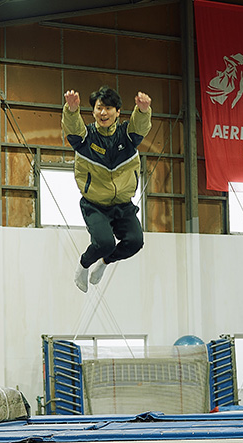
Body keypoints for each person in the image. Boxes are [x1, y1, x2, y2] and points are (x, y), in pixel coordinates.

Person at [62, 86, 152, 292]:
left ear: (118, 112)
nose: (104, 113)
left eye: (109, 108)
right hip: (95, 204)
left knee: (135, 242)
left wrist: (144, 111)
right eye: (99, 108)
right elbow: (73, 130)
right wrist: (72, 110)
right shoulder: (86, 139)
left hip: (122, 205)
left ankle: (103, 263)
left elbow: (140, 127)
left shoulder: (127, 137)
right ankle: (84, 265)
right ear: (93, 111)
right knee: (104, 242)